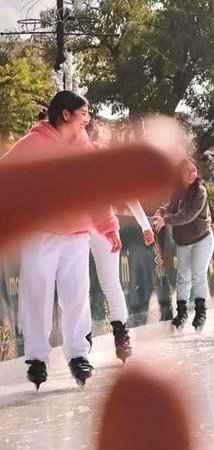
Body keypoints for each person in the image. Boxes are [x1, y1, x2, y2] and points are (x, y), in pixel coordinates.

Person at [2, 91, 121, 388]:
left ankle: (78, 354)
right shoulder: (34, 143)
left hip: (77, 235)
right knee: (37, 293)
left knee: (76, 295)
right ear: (65, 114)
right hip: (40, 233)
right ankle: (37, 358)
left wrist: (108, 227)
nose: (87, 120)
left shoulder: (86, 149)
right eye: (83, 114)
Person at [84, 122, 156, 363]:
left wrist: (145, 225)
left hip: (104, 227)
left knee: (110, 282)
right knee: (76, 286)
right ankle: (81, 338)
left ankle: (121, 335)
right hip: (74, 229)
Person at [154, 158, 214, 332]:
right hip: (183, 241)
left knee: (198, 274)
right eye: (187, 170)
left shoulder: (200, 191)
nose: (191, 173)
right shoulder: (176, 191)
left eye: (194, 170)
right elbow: (168, 206)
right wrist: (161, 212)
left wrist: (166, 220)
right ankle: (181, 313)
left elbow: (189, 215)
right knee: (182, 277)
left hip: (202, 238)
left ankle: (201, 312)